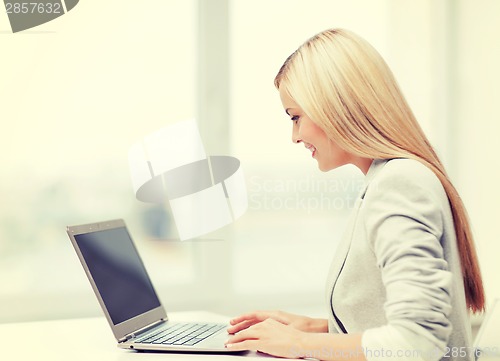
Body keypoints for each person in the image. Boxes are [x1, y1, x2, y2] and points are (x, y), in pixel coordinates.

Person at [224, 28, 485, 361]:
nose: (295, 135)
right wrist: (313, 327)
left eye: (296, 118)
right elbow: (390, 324)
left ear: (336, 107)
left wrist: (297, 345)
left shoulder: (399, 184)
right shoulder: (386, 179)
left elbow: (418, 341)